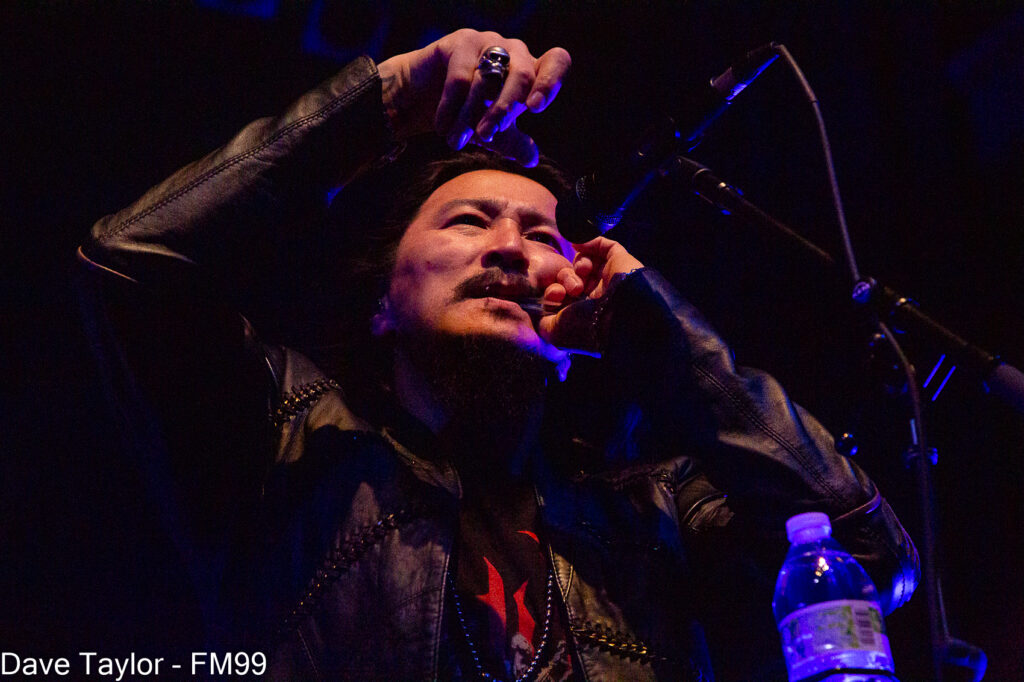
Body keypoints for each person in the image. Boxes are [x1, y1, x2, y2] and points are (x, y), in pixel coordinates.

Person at [79, 28, 918, 681]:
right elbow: (130, 264)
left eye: (544, 236)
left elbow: (869, 561)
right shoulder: (287, 446)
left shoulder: (653, 510)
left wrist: (659, 338)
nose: (512, 249)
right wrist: (386, 103)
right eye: (469, 221)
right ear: (382, 303)